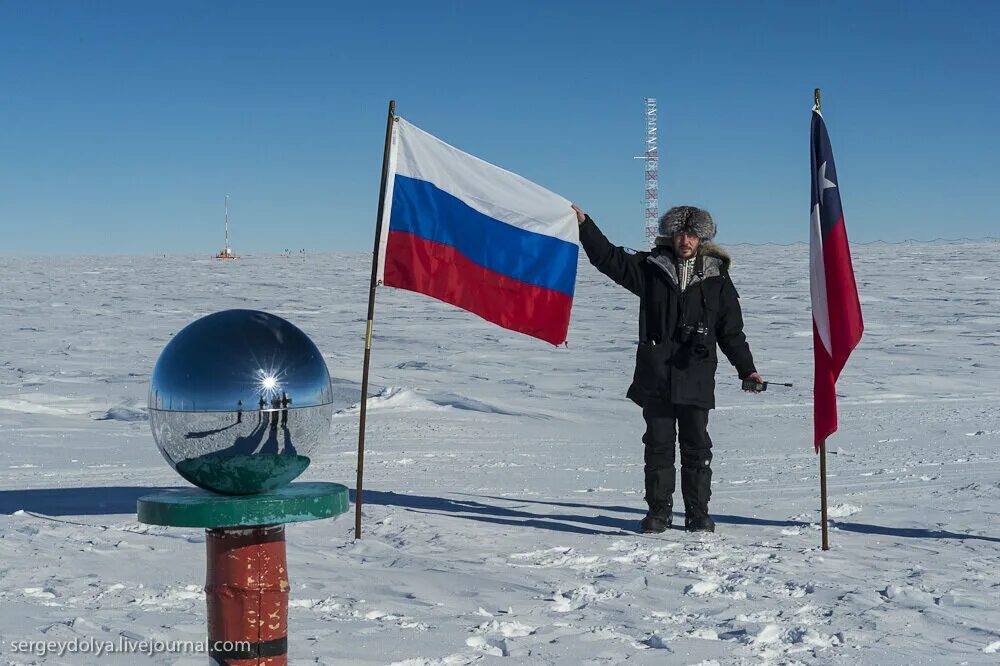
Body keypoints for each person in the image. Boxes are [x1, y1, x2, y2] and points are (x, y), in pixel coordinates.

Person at [573, 204, 764, 534]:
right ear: (670, 236)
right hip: (656, 376)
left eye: (691, 235)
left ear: (701, 238)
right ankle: (659, 513)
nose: (685, 240)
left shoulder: (717, 277)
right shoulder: (650, 268)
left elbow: (731, 331)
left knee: (696, 449)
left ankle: (698, 513)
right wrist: (585, 225)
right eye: (680, 234)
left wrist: (747, 370)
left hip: (696, 375)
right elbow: (608, 258)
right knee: (658, 447)